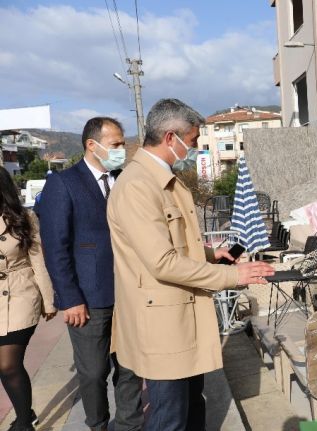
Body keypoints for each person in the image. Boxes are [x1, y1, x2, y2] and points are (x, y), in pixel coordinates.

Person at [107, 98, 274, 431]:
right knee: (170, 418)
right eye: (194, 141)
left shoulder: (160, 178)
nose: (195, 148)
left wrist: (212, 254)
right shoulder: (138, 185)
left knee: (191, 409)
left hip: (179, 319)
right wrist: (232, 274)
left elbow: (174, 243)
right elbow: (163, 262)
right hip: (163, 327)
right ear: (171, 137)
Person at [39, 117, 143, 431]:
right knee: (94, 372)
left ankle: (129, 425)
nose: (121, 150)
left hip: (129, 293)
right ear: (91, 145)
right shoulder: (64, 183)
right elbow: (55, 247)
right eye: (115, 144)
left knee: (130, 368)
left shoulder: (124, 180)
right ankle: (98, 424)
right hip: (89, 297)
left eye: (123, 144)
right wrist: (70, 299)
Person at [0, 166, 56, 431]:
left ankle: (23, 422)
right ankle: (27, 411)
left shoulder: (24, 218)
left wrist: (49, 300)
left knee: (8, 363)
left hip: (21, 294)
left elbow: (38, 261)